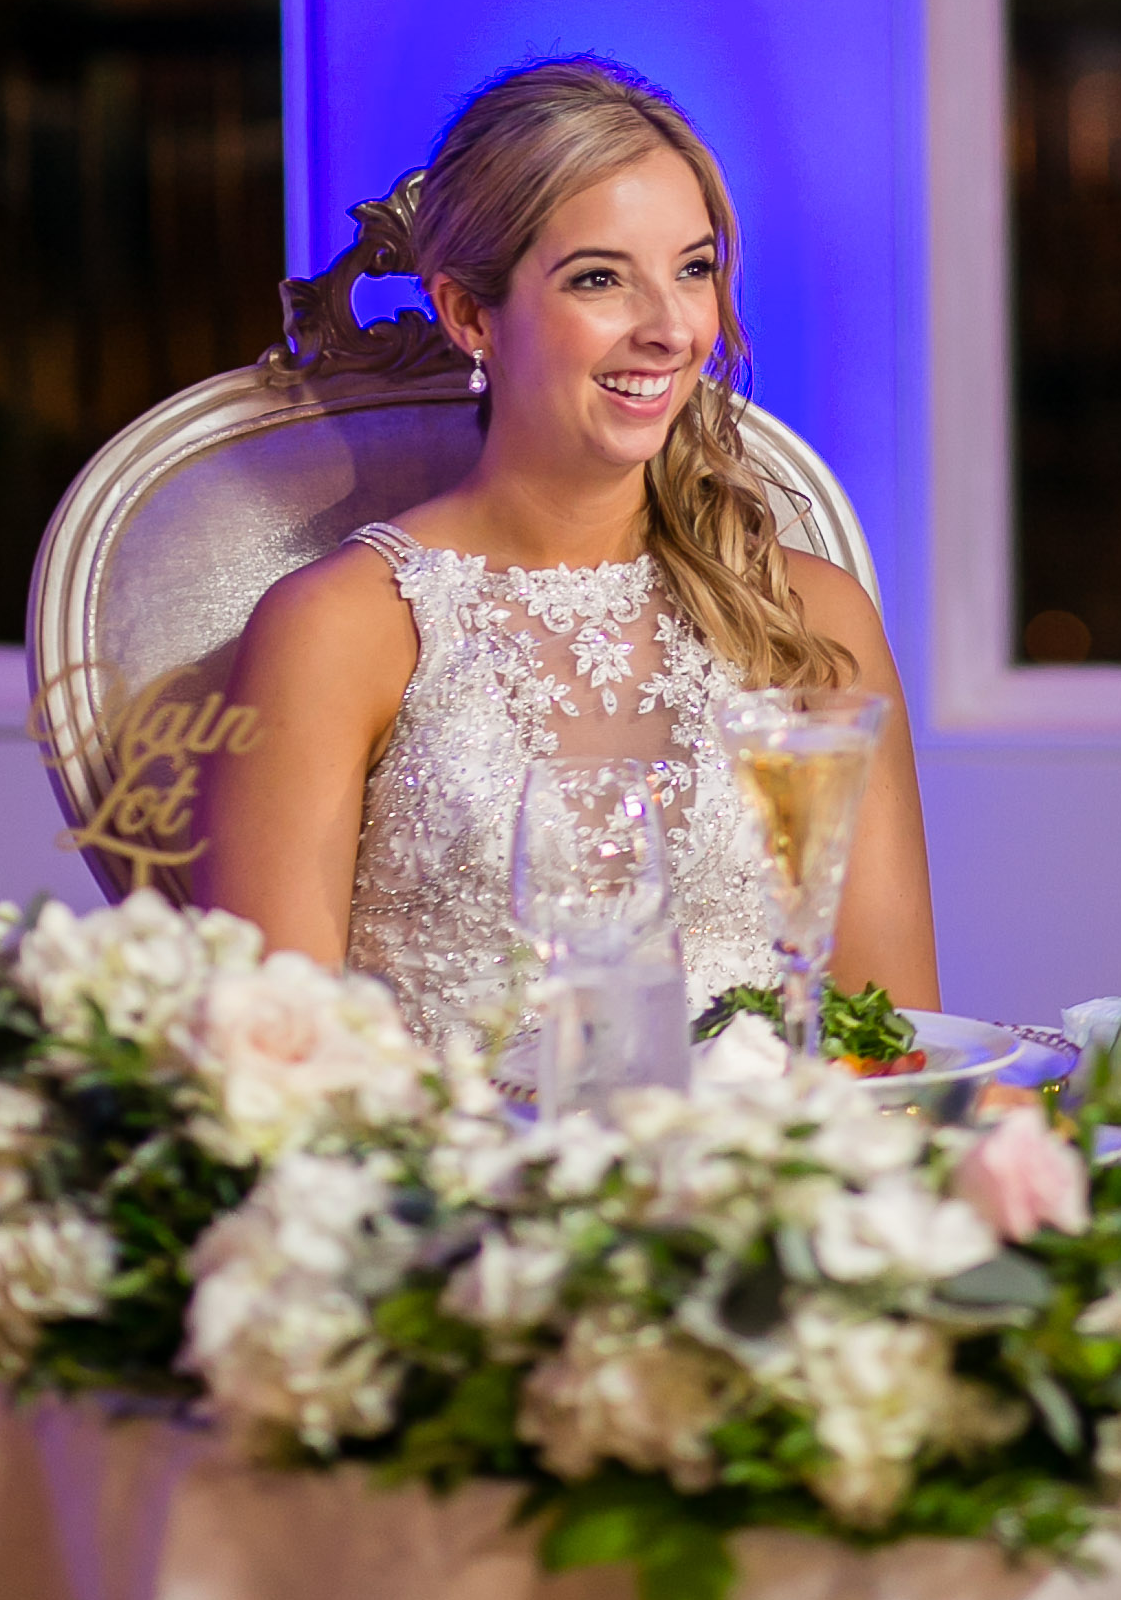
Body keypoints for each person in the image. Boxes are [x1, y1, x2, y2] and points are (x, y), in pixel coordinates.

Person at [205, 55, 937, 1071]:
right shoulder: (340, 629)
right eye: (600, 278)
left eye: (694, 267)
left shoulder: (813, 620)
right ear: (468, 314)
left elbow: (892, 1046)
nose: (674, 328)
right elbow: (275, 1083)